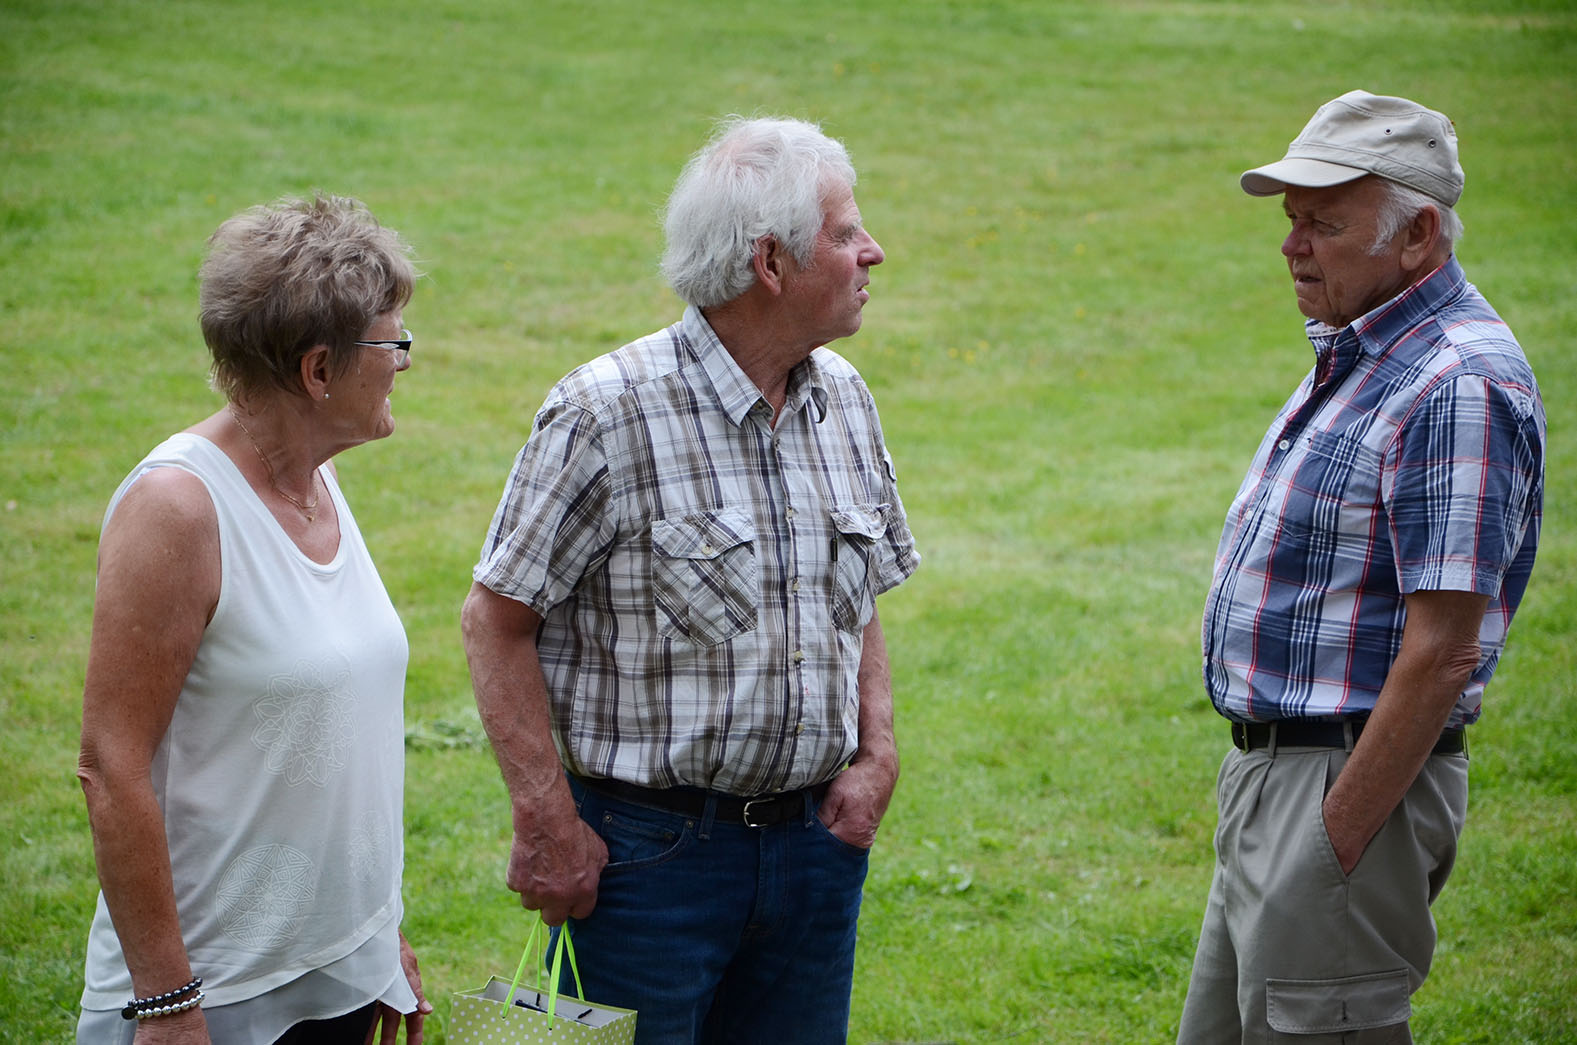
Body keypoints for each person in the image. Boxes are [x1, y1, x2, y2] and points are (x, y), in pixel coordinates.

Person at [461, 115, 919, 1044]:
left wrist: (876, 756)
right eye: (843, 234)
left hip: (816, 852)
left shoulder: (846, 400)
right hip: (642, 865)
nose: (874, 251)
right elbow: (494, 619)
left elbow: (859, 587)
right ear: (770, 263)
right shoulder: (604, 412)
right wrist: (547, 820)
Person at [1179, 91, 1545, 1043]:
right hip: (1278, 782)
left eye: (1323, 224)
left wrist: (1333, 838)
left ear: (1417, 235)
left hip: (1339, 787)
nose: (1293, 246)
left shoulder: (1454, 382)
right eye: (1292, 221)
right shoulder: (1365, 349)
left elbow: (1442, 651)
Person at [75, 194, 433, 1044]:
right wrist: (167, 1005)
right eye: (394, 344)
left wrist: (374, 937)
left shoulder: (313, 475)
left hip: (336, 971)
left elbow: (335, 737)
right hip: (221, 998)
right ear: (318, 371)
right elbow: (110, 766)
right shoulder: (179, 509)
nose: (407, 364)